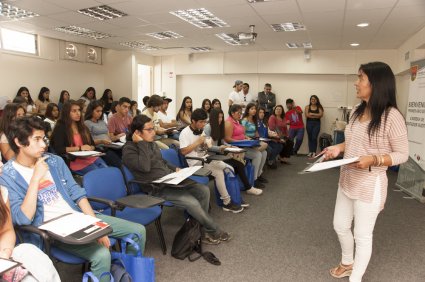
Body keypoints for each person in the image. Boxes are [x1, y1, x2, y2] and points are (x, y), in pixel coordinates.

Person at [1, 116, 146, 281]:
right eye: (37, 139)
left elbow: (76, 192)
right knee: (101, 254)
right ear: (19, 142)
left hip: (77, 217)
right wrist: (35, 179)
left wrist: (95, 225)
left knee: (138, 231)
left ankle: (126, 274)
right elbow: (23, 219)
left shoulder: (54, 161)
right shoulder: (8, 175)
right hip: (52, 230)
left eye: (44, 138)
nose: (44, 144)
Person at [323, 62, 408, 282]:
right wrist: (337, 148)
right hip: (348, 179)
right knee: (340, 226)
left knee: (362, 235)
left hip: (371, 184)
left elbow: (402, 154)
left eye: (361, 78)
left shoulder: (392, 116)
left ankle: (355, 278)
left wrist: (374, 159)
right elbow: (351, 142)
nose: (356, 82)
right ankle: (347, 263)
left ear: (376, 84)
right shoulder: (357, 111)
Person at [122, 114, 231, 244]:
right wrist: (141, 143)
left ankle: (199, 230)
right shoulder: (129, 150)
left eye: (153, 128)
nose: (153, 132)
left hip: (171, 179)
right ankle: (214, 230)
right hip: (156, 187)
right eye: (149, 129)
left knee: (203, 190)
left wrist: (176, 169)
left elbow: (161, 161)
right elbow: (145, 167)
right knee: (192, 202)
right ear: (137, 132)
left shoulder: (151, 144)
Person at [0, 162, 61, 282]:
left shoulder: (2, 192)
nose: (1, 165)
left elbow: (6, 230)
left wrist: (5, 253)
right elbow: (23, 218)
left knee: (29, 252)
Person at [179, 109, 244, 213]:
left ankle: (235, 197)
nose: (203, 124)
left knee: (229, 168)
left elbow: (206, 147)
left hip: (205, 158)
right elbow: (183, 152)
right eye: (201, 122)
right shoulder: (185, 133)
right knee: (219, 173)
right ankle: (227, 202)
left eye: (205, 121)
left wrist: (205, 144)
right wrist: (197, 142)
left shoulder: (202, 131)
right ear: (193, 121)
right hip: (195, 162)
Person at [205, 108, 263, 195]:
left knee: (240, 162)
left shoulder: (220, 126)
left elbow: (222, 141)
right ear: (213, 118)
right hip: (211, 156)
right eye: (218, 117)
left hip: (219, 153)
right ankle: (246, 187)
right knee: (237, 164)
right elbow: (208, 147)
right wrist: (221, 148)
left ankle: (243, 187)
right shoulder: (208, 127)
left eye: (221, 117)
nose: (220, 119)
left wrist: (231, 146)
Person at [51, 100, 108, 175]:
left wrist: (91, 148)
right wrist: (80, 148)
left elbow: (92, 144)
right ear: (66, 113)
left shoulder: (83, 127)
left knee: (107, 171)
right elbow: (59, 149)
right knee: (98, 174)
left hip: (90, 157)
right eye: (74, 111)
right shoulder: (60, 128)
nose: (78, 113)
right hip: (75, 161)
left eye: (79, 110)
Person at [224, 104, 267, 188]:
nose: (240, 115)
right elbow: (227, 139)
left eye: (241, 113)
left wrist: (248, 139)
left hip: (243, 144)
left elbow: (242, 134)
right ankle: (253, 180)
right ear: (232, 113)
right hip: (237, 147)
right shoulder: (229, 123)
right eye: (238, 113)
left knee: (264, 152)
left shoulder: (237, 121)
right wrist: (242, 141)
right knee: (257, 155)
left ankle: (258, 175)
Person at [84, 101, 122, 168]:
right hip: (99, 147)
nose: (100, 113)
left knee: (123, 152)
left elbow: (108, 136)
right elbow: (88, 141)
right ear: (91, 111)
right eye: (97, 111)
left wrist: (116, 138)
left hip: (109, 145)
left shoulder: (102, 122)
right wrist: (101, 141)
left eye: (101, 111)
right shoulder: (87, 123)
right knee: (116, 161)